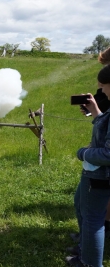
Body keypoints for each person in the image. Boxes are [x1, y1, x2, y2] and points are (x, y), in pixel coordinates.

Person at [66, 65, 110, 266]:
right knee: (88, 213)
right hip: (98, 173)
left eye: (103, 84)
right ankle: (85, 255)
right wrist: (95, 112)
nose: (100, 88)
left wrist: (83, 153)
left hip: (100, 173)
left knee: (93, 221)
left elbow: (108, 153)